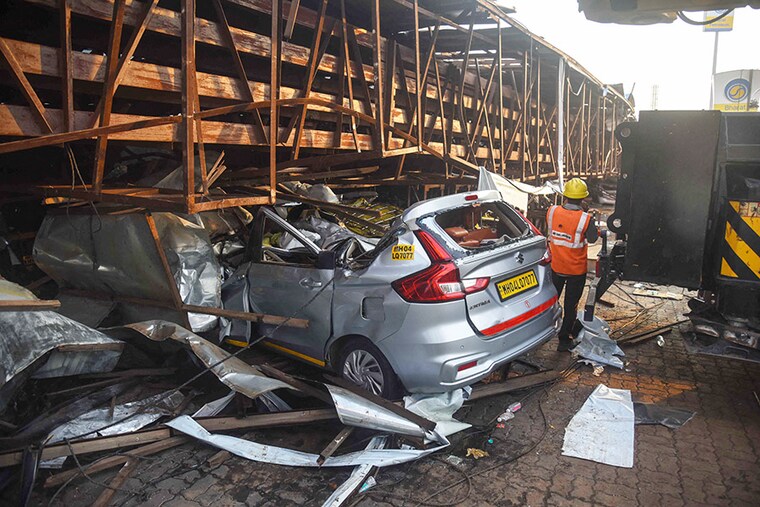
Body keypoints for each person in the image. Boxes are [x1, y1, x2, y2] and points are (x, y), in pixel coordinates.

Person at [546, 178, 599, 351]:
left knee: (550, 301)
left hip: (556, 267)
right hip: (576, 270)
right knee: (571, 305)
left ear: (566, 195)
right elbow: (592, 239)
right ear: (583, 198)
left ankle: (543, 331)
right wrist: (592, 221)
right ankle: (564, 338)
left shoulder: (552, 211)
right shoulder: (585, 219)